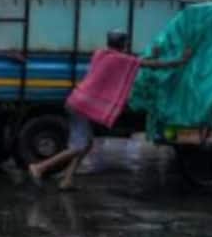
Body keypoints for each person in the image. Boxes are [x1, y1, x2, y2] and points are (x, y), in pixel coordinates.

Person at [30, 31, 192, 191]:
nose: (128, 46)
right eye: (127, 43)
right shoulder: (119, 59)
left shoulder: (101, 54)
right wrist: (181, 61)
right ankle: (39, 167)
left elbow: (134, 62)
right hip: (81, 106)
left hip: (77, 100)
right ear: (123, 44)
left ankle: (67, 180)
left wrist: (151, 57)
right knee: (78, 147)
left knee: (86, 144)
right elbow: (147, 65)